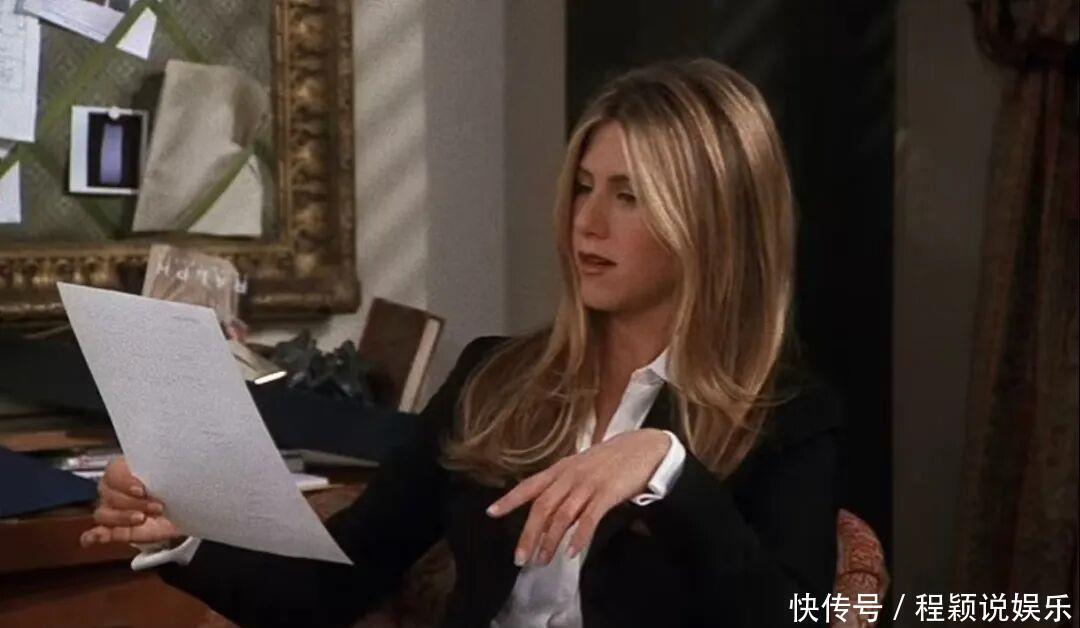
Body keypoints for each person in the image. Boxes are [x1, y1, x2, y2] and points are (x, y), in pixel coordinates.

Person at [81, 58, 844, 627]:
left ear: (710, 223)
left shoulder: (787, 417)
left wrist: (669, 470)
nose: (587, 222)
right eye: (584, 186)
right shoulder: (495, 379)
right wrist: (184, 535)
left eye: (629, 197)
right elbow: (332, 585)